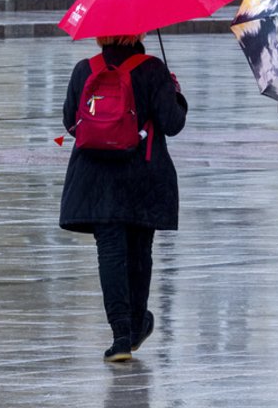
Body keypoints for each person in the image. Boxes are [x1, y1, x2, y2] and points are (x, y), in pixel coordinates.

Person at [59, 33, 187, 362]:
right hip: (142, 175)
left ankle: (119, 336)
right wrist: (176, 95)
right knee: (139, 254)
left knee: (111, 254)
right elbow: (172, 124)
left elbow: (71, 124)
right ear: (140, 35)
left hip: (96, 178)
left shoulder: (84, 69)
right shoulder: (152, 69)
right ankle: (135, 325)